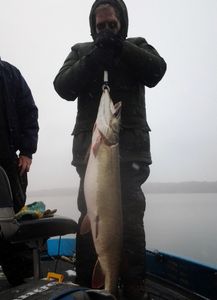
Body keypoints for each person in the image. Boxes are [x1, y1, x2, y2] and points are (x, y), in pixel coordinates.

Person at [54, 0, 166, 299]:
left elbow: (157, 70)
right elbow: (62, 86)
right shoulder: (81, 51)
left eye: (111, 26)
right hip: (91, 156)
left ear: (122, 24)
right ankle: (91, 283)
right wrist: (95, 56)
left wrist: (119, 47)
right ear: (93, 26)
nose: (105, 30)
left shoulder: (138, 46)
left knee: (131, 219)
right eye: (100, 26)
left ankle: (133, 283)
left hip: (130, 155)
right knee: (88, 216)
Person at [0, 58, 39, 285]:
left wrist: (27, 151)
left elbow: (29, 111)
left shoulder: (10, 73)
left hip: (9, 163)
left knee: (13, 224)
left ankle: (22, 281)